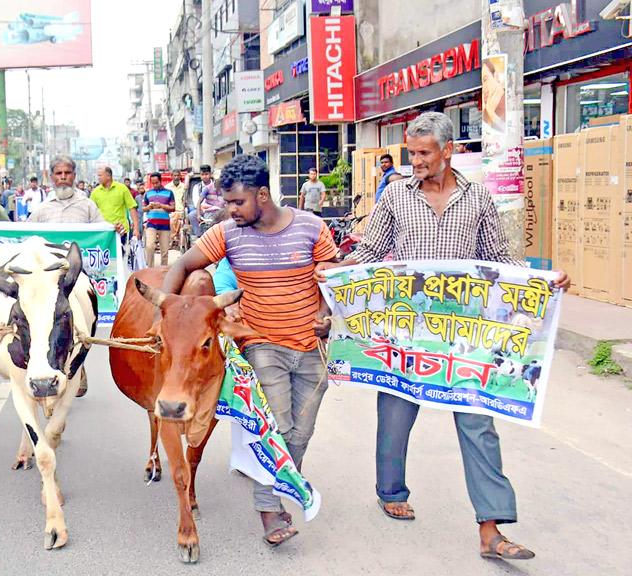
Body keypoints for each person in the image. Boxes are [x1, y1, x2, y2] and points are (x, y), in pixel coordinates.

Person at [316, 112, 571, 561]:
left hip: (465, 334)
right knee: (395, 411)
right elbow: (374, 251)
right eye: (411, 152)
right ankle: (390, 488)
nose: (415, 160)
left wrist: (542, 281)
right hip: (406, 329)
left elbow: (498, 259)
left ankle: (491, 528)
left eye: (423, 153)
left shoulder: (478, 200)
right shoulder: (395, 195)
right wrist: (339, 272)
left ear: (447, 150)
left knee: (478, 419)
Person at [161, 153, 338, 548]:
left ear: (262, 195)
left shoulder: (311, 227)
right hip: (259, 342)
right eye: (227, 202)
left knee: (300, 432)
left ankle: (281, 487)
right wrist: (168, 309)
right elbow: (184, 263)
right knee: (276, 425)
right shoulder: (227, 233)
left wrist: (326, 316)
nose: (231, 210)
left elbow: (331, 280)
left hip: (311, 348)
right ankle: (269, 510)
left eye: (237, 202)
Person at [29, 156, 104, 224]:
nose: (63, 177)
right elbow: (26, 234)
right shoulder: (42, 208)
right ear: (52, 177)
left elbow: (103, 232)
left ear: (74, 176)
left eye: (67, 173)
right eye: (59, 173)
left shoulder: (88, 206)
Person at [91, 166, 140, 242]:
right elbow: (91, 212)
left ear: (108, 176)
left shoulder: (122, 188)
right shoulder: (95, 192)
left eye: (100, 175)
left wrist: (136, 229)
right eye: (98, 176)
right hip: (103, 231)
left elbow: (132, 208)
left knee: (121, 253)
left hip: (121, 231)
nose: (98, 178)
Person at [142, 172, 175, 267]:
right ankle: (150, 268)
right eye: (153, 183)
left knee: (164, 250)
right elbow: (143, 208)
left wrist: (161, 206)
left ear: (161, 181)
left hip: (165, 225)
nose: (155, 185)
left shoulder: (169, 193)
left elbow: (173, 208)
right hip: (151, 224)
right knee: (149, 246)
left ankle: (163, 270)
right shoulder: (148, 193)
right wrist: (149, 207)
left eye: (157, 182)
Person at [195, 165, 222, 234]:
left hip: (222, 213)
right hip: (210, 213)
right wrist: (198, 215)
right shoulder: (207, 188)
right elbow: (198, 202)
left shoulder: (225, 189)